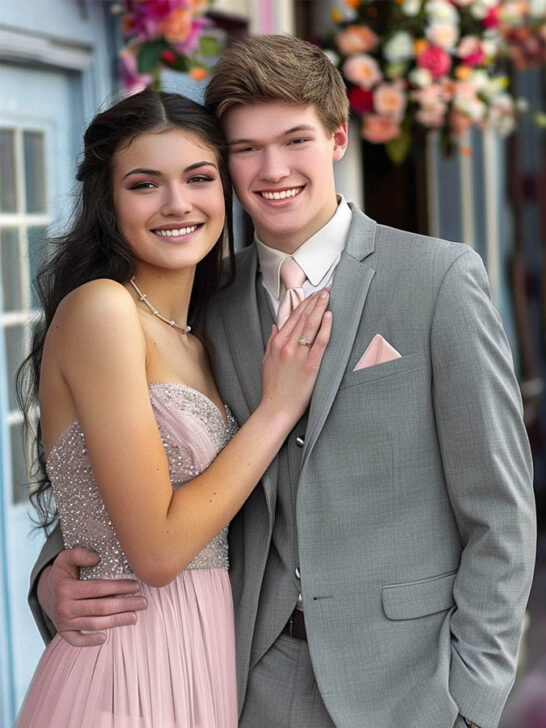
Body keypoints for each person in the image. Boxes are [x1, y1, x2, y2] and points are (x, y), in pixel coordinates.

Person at [28, 34, 535, 728]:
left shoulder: (437, 280)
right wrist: (53, 576)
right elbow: (124, 469)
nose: (273, 170)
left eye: (294, 140)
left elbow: (500, 512)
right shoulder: (209, 301)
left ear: (337, 137)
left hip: (409, 690)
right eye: (246, 149)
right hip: (245, 682)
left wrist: (472, 703)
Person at [15, 86, 331, 728]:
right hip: (128, 666)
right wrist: (276, 410)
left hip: (210, 660)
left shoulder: (201, 331)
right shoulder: (103, 311)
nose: (178, 204)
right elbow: (156, 550)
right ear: (108, 201)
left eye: (199, 178)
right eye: (144, 184)